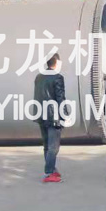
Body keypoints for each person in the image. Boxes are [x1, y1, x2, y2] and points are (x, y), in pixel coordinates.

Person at [33, 53, 66, 183]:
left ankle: (51, 169)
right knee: (54, 146)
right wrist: (65, 115)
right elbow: (60, 98)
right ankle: (49, 172)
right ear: (56, 63)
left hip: (41, 114)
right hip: (53, 116)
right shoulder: (58, 77)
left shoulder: (39, 77)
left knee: (46, 145)